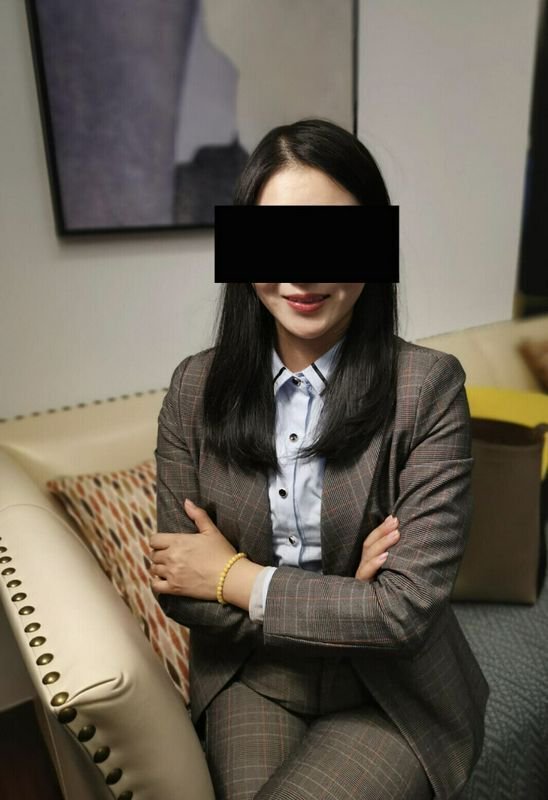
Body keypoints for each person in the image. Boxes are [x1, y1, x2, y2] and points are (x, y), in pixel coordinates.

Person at [150, 118, 489, 800]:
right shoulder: (194, 388)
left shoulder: (429, 388)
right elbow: (179, 585)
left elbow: (403, 613)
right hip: (254, 678)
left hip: (393, 690)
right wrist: (349, 597)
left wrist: (235, 577)